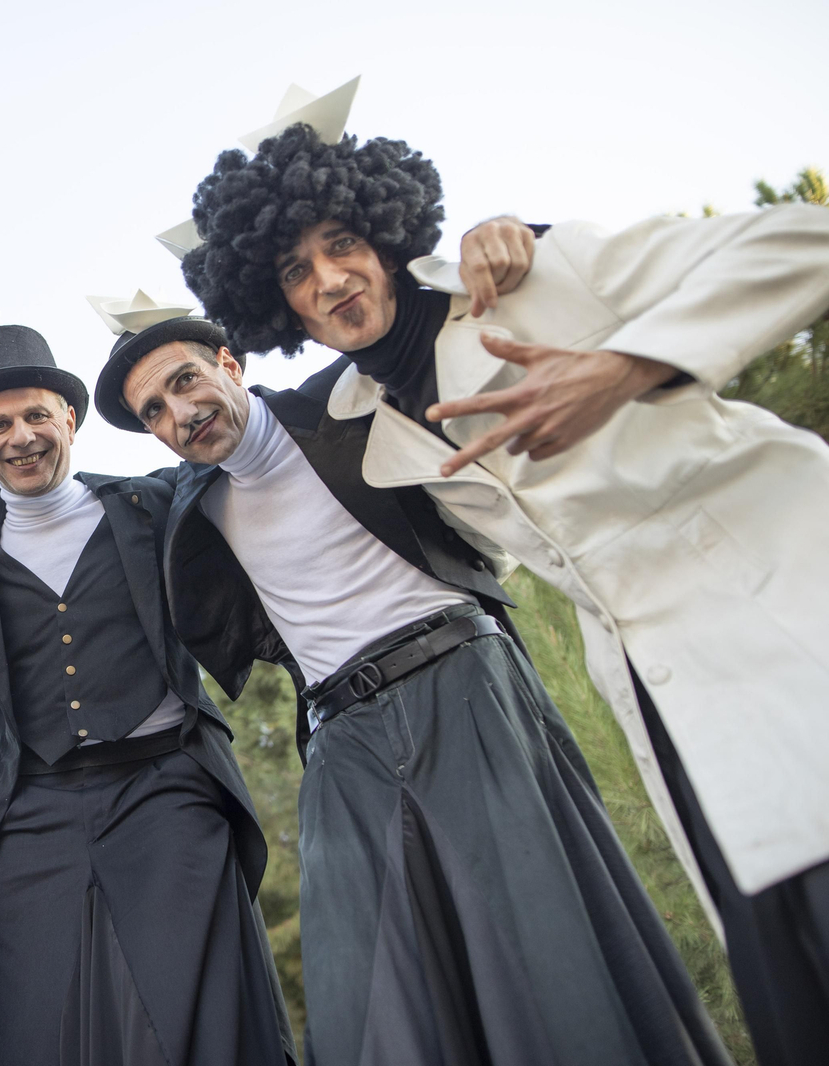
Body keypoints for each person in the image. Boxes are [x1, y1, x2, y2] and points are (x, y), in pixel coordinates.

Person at [178, 114, 829, 1066]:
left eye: (344, 242)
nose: (329, 279)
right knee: (789, 988)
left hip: (786, 614)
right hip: (665, 699)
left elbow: (807, 239)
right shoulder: (381, 433)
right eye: (294, 271)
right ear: (279, 309)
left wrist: (626, 368)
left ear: (388, 237)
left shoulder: (537, 277)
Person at [0, 318, 296, 1066]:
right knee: (33, 1020)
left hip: (165, 788)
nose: (21, 437)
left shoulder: (154, 503)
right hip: (33, 805)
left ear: (70, 419)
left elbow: (255, 459)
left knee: (189, 1013)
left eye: (37, 415)